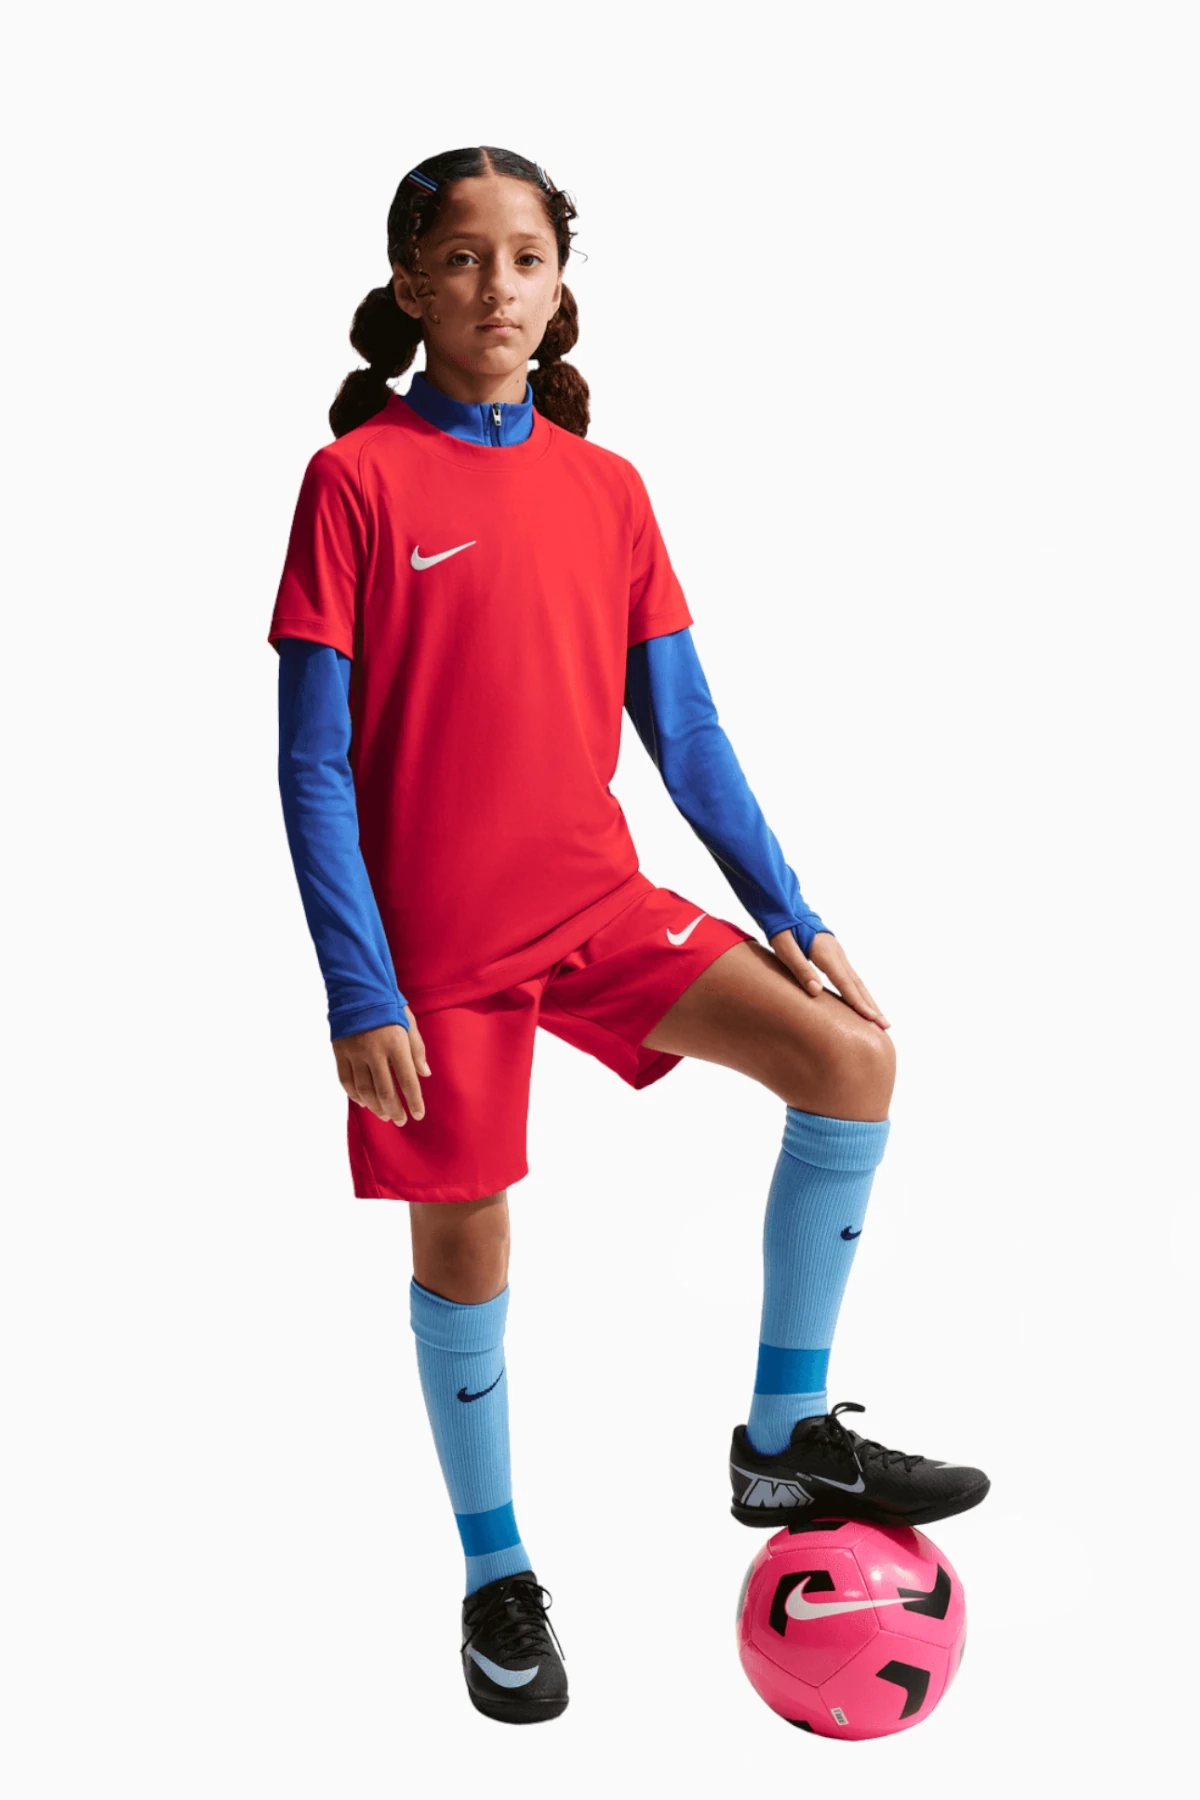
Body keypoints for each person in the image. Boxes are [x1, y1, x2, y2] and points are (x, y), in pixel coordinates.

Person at [267, 145, 989, 1726]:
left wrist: (790, 910)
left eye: (526, 258)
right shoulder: (357, 482)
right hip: (431, 954)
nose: (498, 288)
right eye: (465, 259)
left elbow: (687, 730)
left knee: (852, 1062)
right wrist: (358, 986)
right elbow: (311, 764)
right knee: (468, 1239)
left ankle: (785, 1438)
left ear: (561, 285)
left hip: (595, 908)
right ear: (410, 286)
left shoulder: (609, 491)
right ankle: (496, 1573)